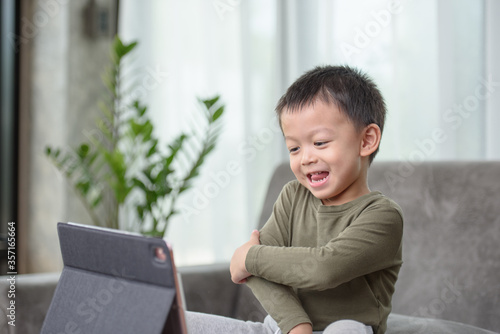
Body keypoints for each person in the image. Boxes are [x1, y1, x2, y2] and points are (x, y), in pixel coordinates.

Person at [187, 65, 403, 334]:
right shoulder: (293, 196)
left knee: (346, 329)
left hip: (343, 330)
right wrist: (295, 325)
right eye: (294, 148)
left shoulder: (383, 216)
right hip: (283, 329)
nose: (306, 158)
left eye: (321, 142)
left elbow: (325, 268)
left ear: (366, 140)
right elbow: (257, 273)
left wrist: (249, 257)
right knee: (178, 321)